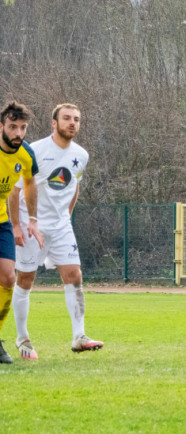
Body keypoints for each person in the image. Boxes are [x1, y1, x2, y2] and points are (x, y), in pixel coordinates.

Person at [9, 103, 104, 360]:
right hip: (32, 226)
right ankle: (23, 338)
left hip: (62, 226)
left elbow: (74, 186)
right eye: (66, 118)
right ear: (54, 123)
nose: (72, 123)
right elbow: (16, 190)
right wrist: (17, 225)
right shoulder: (34, 151)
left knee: (74, 275)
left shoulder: (81, 155)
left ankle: (79, 336)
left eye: (76, 119)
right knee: (25, 279)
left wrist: (67, 217)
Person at [0, 101, 43, 364]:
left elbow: (29, 182)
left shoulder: (26, 154)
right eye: (13, 127)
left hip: (1, 220)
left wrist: (32, 219)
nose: (18, 133)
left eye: (23, 128)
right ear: (2, 126)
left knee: (7, 278)